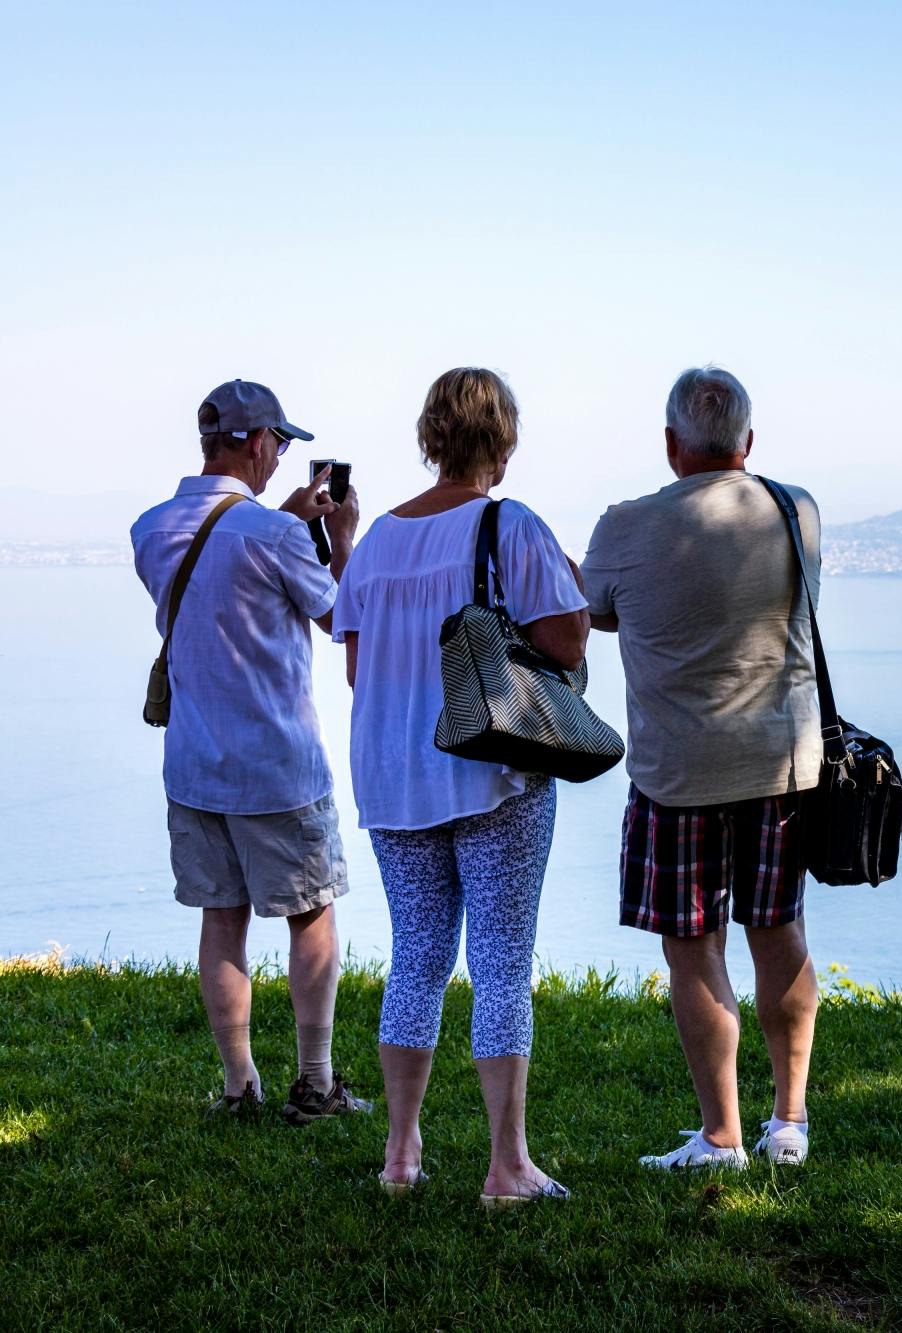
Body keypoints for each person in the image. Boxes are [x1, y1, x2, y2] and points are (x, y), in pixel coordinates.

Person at [332, 367, 589, 1203]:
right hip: (491, 771)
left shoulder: (373, 545)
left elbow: (360, 671)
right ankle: (507, 1165)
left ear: (431, 437)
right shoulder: (509, 526)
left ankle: (400, 1152)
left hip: (396, 774)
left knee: (417, 956)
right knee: (502, 965)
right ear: (503, 442)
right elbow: (565, 642)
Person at [582, 365, 822, 1172]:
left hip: (676, 774)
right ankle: (787, 1122)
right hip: (782, 765)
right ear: (747, 442)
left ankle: (721, 1133)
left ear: (670, 444)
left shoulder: (625, 527)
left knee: (694, 947)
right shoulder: (797, 512)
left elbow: (599, 612)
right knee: (779, 933)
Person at [130, 379, 370, 1124]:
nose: (281, 457)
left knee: (221, 920)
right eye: (280, 443)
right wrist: (342, 538)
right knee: (310, 915)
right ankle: (316, 1080)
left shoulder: (151, 527)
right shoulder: (272, 534)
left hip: (195, 765)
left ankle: (239, 1086)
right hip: (277, 764)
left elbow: (222, 577)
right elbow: (340, 613)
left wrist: (286, 523)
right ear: (258, 440)